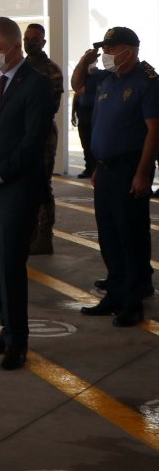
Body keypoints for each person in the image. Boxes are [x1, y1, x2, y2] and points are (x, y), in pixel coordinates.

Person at [0, 17, 52, 370]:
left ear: (16, 48)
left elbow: (33, 144)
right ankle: (5, 329)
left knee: (12, 268)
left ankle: (18, 341)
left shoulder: (38, 86)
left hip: (14, 191)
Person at [73, 27, 159, 326]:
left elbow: (154, 131)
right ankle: (115, 294)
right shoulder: (106, 79)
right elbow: (77, 85)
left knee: (130, 236)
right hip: (106, 169)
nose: (107, 54)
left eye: (111, 48)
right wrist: (85, 60)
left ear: (129, 51)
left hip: (129, 169)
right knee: (109, 235)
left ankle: (133, 300)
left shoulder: (147, 82)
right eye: (105, 49)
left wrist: (142, 172)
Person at [23, 23, 64, 255]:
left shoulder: (51, 70)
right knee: (25, 185)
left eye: (35, 39)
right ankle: (29, 233)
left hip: (43, 135)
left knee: (41, 185)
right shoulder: (20, 66)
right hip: (22, 135)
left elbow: (50, 107)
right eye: (27, 38)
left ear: (44, 42)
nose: (30, 43)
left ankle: (45, 236)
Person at [72, 57, 102, 178]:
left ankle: (95, 168)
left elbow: (80, 90)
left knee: (95, 141)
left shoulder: (100, 75)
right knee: (85, 141)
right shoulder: (83, 75)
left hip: (95, 111)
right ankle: (89, 167)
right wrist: (73, 113)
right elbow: (76, 94)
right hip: (82, 111)